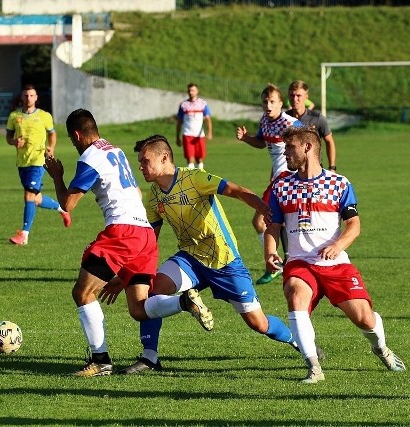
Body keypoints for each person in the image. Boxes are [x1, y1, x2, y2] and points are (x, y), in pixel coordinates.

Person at [107, 134, 305, 374]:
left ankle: (297, 341)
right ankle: (150, 358)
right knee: (151, 291)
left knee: (258, 323)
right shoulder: (154, 196)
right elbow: (149, 243)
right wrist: (128, 276)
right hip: (190, 259)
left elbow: (236, 190)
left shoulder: (194, 178)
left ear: (164, 157)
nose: (141, 166)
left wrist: (263, 208)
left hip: (224, 261)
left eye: (145, 160)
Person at [44, 109, 214, 377]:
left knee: (83, 293)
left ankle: (100, 360)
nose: (74, 144)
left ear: (77, 135)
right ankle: (183, 302)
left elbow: (67, 205)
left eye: (71, 139)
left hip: (123, 232)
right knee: (138, 308)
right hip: (144, 232)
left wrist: (56, 175)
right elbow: (135, 190)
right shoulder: (116, 150)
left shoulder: (90, 157)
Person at [264, 126, 405, 384]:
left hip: (335, 263)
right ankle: (314, 367)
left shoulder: (338, 184)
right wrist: (271, 251)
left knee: (364, 318)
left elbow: (354, 225)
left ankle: (380, 348)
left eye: (290, 147)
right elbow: (273, 226)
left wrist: (338, 246)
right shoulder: (281, 186)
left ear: (307, 147)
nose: (285, 153)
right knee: (296, 295)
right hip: (299, 262)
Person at [236, 83, 301, 285]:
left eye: (272, 101)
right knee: (280, 221)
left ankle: (274, 265)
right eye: (265, 101)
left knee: (260, 222)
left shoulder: (289, 122)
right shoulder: (265, 120)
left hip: (285, 179)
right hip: (276, 179)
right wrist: (246, 138)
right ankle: (285, 262)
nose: (268, 105)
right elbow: (261, 142)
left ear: (281, 103)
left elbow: (308, 141)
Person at [5, 84, 71, 245]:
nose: (29, 98)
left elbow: (52, 133)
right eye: (26, 95)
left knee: (28, 195)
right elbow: (8, 137)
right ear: (22, 97)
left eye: (31, 95)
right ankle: (62, 209)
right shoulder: (14, 116)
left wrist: (51, 148)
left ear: (36, 98)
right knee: (36, 199)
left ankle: (24, 235)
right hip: (22, 161)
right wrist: (14, 142)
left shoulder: (44, 116)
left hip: (38, 160)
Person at [286, 80, 337, 171]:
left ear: (306, 97)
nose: (294, 99)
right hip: (290, 170)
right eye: (292, 95)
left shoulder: (317, 118)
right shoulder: (284, 119)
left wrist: (332, 167)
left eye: (298, 96)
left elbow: (329, 141)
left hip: (313, 169)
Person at [175, 83, 213, 169]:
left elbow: (208, 119)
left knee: (199, 158)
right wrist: (177, 136)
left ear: (197, 91)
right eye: (189, 90)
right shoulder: (183, 105)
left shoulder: (203, 104)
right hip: (187, 134)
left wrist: (210, 132)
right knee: (190, 157)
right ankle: (191, 178)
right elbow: (179, 122)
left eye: (193, 90)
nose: (191, 92)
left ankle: (201, 177)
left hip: (199, 135)